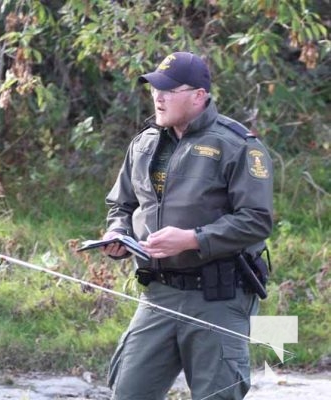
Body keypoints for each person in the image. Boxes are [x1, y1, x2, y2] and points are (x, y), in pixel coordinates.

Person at [102, 52, 273, 399]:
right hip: (158, 294)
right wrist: (117, 232)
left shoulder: (238, 146)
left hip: (218, 296)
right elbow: (122, 204)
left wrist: (193, 240)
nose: (158, 97)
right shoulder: (144, 143)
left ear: (198, 95)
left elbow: (256, 220)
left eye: (168, 90)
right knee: (128, 392)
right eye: (154, 89)